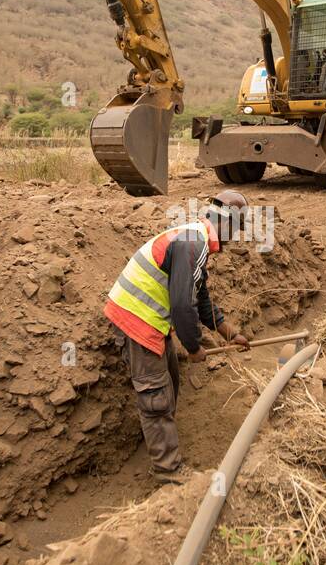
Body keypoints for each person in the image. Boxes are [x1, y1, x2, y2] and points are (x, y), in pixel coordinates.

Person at [104, 190, 251, 484]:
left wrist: (227, 331)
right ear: (229, 224)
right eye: (237, 231)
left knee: (171, 377)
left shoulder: (193, 239)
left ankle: (160, 435)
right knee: (156, 396)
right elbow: (184, 306)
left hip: (149, 318)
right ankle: (168, 469)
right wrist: (193, 346)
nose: (234, 239)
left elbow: (200, 294)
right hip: (137, 319)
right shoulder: (192, 244)